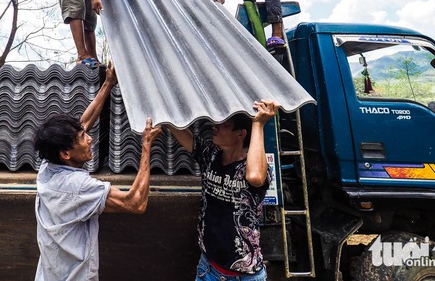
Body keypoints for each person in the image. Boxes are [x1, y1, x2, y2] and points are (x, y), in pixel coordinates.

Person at [33, 63, 162, 280]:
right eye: (83, 139)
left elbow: (83, 123)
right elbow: (135, 203)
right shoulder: (77, 187)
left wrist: (108, 83)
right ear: (65, 153)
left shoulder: (47, 169)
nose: (89, 138)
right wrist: (146, 145)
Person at [167, 100, 280, 281]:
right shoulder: (211, 156)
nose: (215, 127)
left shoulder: (252, 168)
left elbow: (256, 178)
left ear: (240, 134)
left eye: (224, 124)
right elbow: (181, 132)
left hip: (243, 277)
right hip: (208, 268)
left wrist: (258, 124)